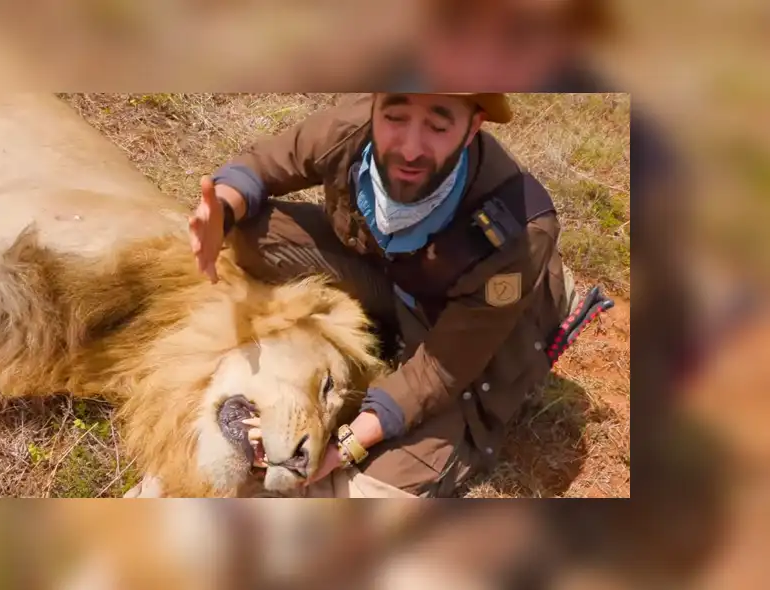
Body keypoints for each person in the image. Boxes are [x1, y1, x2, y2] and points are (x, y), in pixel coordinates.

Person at [188, 92, 605, 498]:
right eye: (395, 118)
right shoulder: (353, 126)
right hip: (390, 274)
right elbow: (263, 166)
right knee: (245, 232)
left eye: (439, 126)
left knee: (373, 489)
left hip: (463, 338)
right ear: (375, 106)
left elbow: (441, 372)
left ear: (473, 126)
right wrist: (221, 210)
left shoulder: (516, 233)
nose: (409, 148)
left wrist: (345, 445)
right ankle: (382, 329)